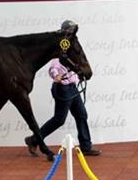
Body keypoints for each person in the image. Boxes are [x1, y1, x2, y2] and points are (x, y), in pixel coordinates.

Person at [25, 20, 101, 159]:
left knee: (81, 115)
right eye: (70, 30)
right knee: (59, 119)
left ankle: (86, 146)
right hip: (63, 89)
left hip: (72, 88)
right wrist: (56, 75)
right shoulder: (62, 48)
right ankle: (34, 140)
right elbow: (53, 67)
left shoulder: (72, 47)